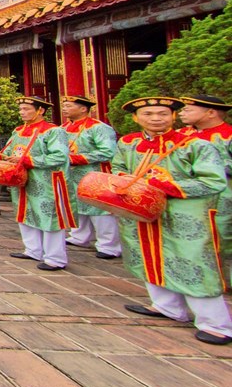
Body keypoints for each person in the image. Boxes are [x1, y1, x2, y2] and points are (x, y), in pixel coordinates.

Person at [115, 97, 231, 345]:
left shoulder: (194, 145)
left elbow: (213, 181)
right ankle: (166, 306)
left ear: (173, 117)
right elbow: (117, 168)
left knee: (193, 261)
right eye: (148, 114)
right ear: (136, 118)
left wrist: (164, 186)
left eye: (162, 113)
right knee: (147, 254)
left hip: (185, 213)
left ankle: (215, 324)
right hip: (142, 210)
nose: (156, 118)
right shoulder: (128, 144)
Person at [0, 97, 75, 271]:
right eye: (21, 109)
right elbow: (8, 152)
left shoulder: (53, 131)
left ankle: (55, 258)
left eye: (26, 109)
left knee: (49, 216)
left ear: (40, 111)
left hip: (45, 180)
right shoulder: (19, 131)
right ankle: (33, 249)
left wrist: (28, 160)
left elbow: (60, 156)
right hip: (22, 178)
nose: (22, 112)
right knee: (24, 212)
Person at [61, 95, 122, 259]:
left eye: (69, 105)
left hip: (94, 173)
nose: (64, 108)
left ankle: (109, 245)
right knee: (77, 205)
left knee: (99, 208)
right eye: (64, 105)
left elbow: (108, 151)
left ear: (83, 108)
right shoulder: (64, 128)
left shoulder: (98, 127)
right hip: (72, 173)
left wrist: (79, 158)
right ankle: (79, 236)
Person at [178, 94, 232, 279]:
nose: (182, 113)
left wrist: (208, 165)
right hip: (189, 196)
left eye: (188, 109)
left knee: (224, 237)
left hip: (224, 195)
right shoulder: (183, 135)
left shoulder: (228, 135)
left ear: (211, 112)